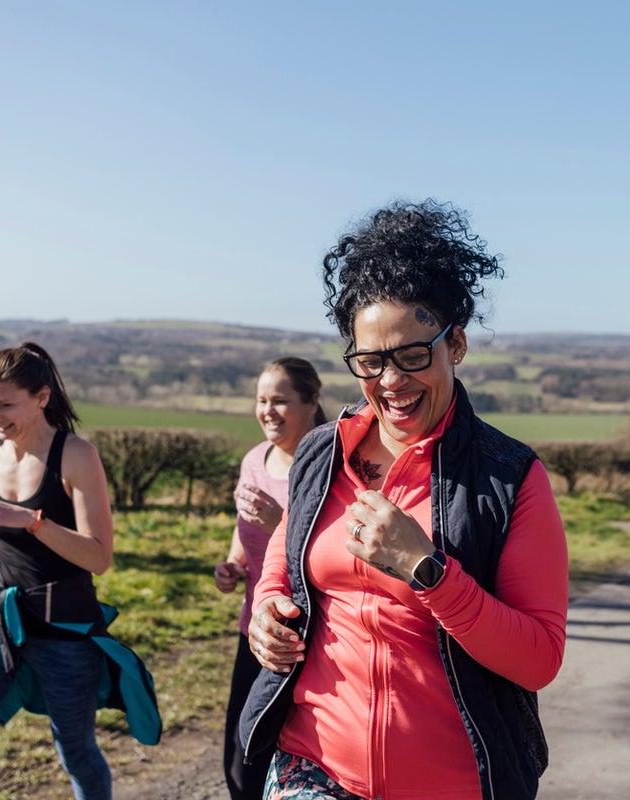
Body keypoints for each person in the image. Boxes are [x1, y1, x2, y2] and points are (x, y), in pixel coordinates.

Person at [238, 199, 569, 800]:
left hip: (454, 783)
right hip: (312, 765)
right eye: (370, 361)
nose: (391, 381)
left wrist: (428, 571)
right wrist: (265, 615)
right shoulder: (320, 453)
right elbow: (281, 571)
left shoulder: (510, 479)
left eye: (414, 356)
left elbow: (539, 658)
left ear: (457, 345)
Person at [0, 342, 159, 800]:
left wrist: (31, 522)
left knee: (75, 749)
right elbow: (3, 520)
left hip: (65, 624)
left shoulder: (76, 456)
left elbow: (98, 557)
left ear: (42, 398)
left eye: (6, 403)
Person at [214, 357, 326, 800]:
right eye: (261, 400)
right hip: (257, 631)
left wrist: (281, 520)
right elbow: (244, 531)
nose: (267, 411)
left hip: (315, 640)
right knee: (241, 764)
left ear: (312, 402)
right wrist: (233, 564)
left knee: (301, 765)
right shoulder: (254, 460)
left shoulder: (332, 464)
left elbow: (339, 549)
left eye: (280, 400)